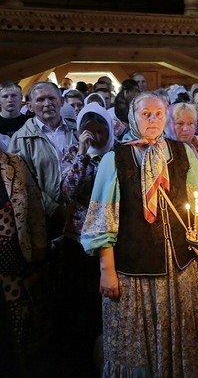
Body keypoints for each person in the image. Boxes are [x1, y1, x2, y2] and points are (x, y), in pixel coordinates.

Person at [81, 92, 198, 376]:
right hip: (134, 272)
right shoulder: (115, 160)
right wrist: (107, 270)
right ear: (133, 117)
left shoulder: (182, 153)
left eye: (159, 114)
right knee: (138, 337)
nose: (153, 120)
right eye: (146, 114)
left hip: (181, 267)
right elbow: (103, 219)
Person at [58, 102, 116, 372]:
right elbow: (69, 190)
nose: (97, 137)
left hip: (110, 239)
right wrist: (82, 154)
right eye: (90, 132)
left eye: (101, 131)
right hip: (78, 238)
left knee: (107, 300)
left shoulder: (117, 153)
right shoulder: (74, 152)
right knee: (81, 300)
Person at [8, 81, 79, 235]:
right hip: (42, 218)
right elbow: (22, 182)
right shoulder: (21, 139)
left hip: (80, 213)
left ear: (61, 101)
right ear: (30, 106)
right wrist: (54, 208)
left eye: (51, 98)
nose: (47, 104)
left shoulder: (76, 132)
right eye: (40, 100)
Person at [0, 150, 47, 372]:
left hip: (15, 265)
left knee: (18, 318)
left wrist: (39, 243)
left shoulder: (14, 162)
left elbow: (35, 206)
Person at [167, 103, 198, 187]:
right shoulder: (162, 151)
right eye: (180, 123)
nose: (185, 129)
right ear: (169, 125)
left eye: (190, 123)